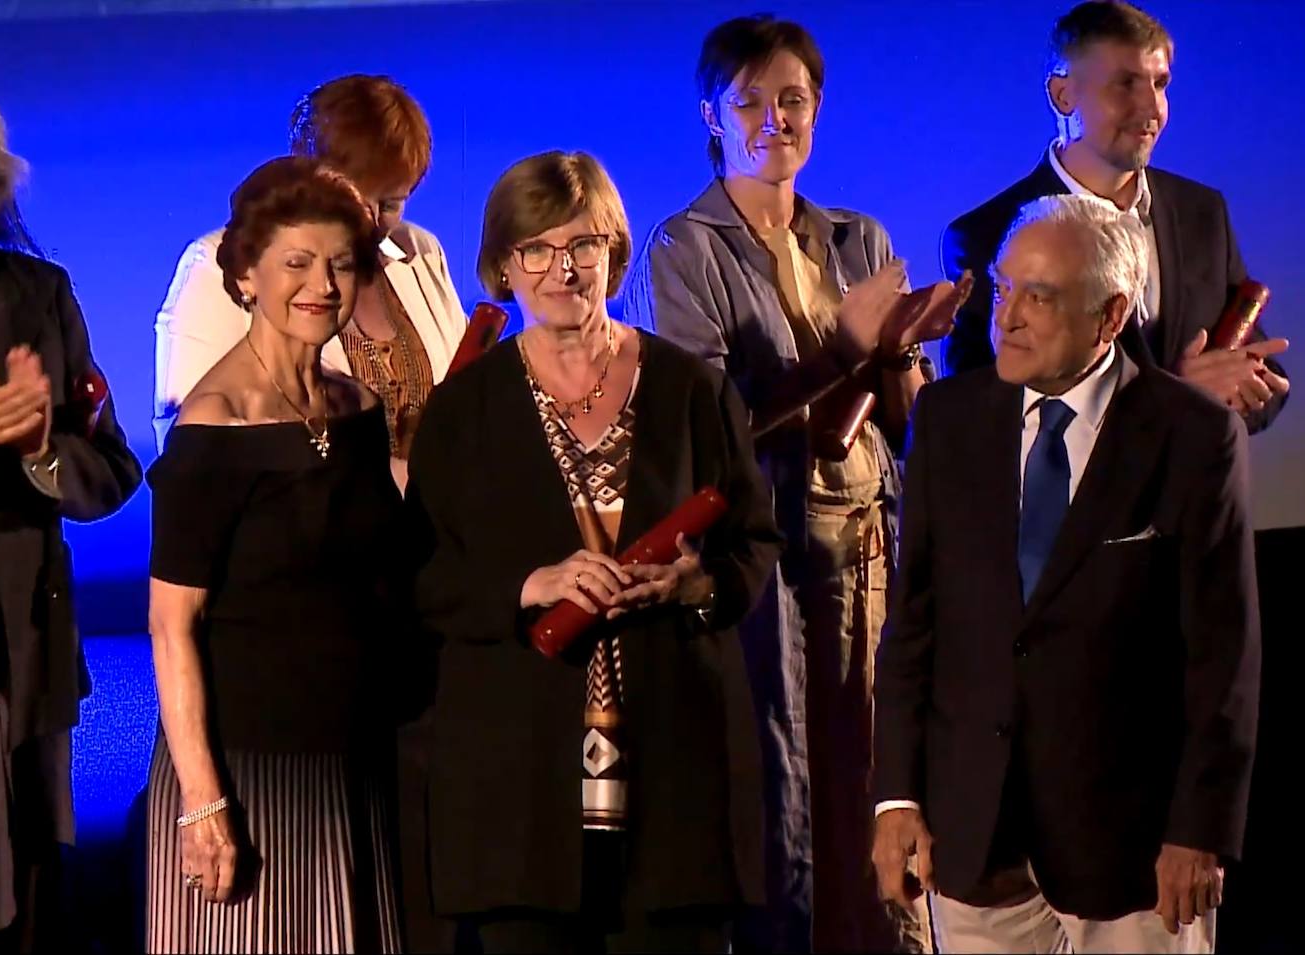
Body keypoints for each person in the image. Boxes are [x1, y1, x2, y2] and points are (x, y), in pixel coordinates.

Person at [624, 15, 964, 952]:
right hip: (770, 556)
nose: (776, 119)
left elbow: (903, 419)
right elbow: (705, 425)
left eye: (795, 100)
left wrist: (898, 355)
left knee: (880, 763)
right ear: (713, 115)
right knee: (789, 778)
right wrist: (844, 351)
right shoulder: (681, 249)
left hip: (873, 539)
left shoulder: (858, 236)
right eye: (752, 101)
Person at [405, 150, 781, 953]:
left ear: (613, 250)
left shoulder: (691, 388)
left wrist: (694, 586)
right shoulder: (464, 406)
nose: (560, 268)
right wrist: (528, 585)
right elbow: (421, 576)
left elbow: (752, 543)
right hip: (518, 791)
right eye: (534, 249)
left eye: (581, 245)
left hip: (673, 779)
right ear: (504, 264)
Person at [872, 194, 1261, 953]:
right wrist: (896, 795)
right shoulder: (947, 419)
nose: (1006, 316)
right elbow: (912, 625)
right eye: (1004, 288)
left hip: (1134, 850)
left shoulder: (1192, 437)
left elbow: (1224, 658)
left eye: (1039, 297)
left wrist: (1199, 828)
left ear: (1111, 316)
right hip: (974, 838)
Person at [145, 157, 407, 953]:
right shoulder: (213, 426)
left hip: (350, 763)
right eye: (296, 263)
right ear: (247, 278)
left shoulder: (358, 408)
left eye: (340, 264)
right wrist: (203, 802)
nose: (322, 285)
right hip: (243, 777)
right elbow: (170, 624)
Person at [939, 0, 1289, 436]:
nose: (1152, 108)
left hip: (1193, 501)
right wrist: (1177, 398)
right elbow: (983, 417)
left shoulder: (1202, 213)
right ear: (1062, 95)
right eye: (1125, 84)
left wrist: (1252, 390)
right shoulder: (985, 235)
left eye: (1160, 84)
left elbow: (1254, 371)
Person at [0, 91, 142, 949]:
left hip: (21, 651)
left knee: (28, 894)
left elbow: (111, 468)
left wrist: (40, 452)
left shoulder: (41, 295)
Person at [153, 73, 467, 489]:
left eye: (391, 202)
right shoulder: (223, 261)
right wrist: (387, 477)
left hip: (434, 533)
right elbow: (192, 442)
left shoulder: (421, 251)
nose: (370, 218)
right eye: (356, 194)